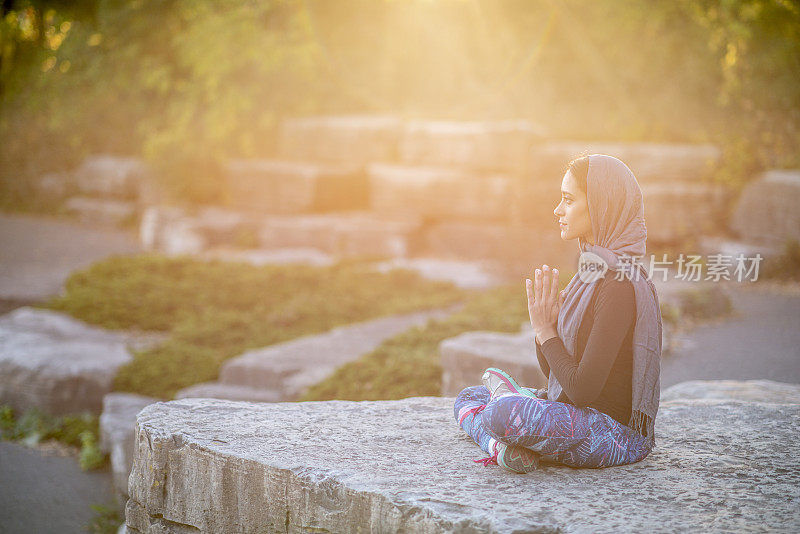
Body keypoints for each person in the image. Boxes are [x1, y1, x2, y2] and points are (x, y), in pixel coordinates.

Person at [453, 154, 663, 473]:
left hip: (612, 434)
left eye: (568, 200)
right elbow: (556, 377)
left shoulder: (618, 286)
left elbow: (580, 391)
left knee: (500, 413)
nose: (558, 210)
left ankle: (502, 439)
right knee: (470, 395)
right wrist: (548, 329)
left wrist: (545, 332)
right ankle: (505, 448)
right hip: (576, 418)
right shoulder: (591, 274)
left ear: (600, 206)